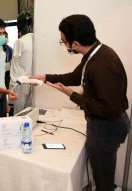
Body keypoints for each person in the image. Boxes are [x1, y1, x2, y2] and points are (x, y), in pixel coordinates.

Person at [31, 14, 129, 191]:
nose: (64, 45)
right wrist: (45, 77)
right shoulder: (95, 52)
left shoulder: (102, 65)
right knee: (101, 173)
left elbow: (109, 109)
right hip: (102, 125)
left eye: (63, 41)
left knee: (103, 179)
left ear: (75, 44)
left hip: (106, 128)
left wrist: (72, 95)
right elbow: (76, 77)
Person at [10, 12, 33, 114]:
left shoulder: (20, 41)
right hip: (32, 79)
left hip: (21, 82)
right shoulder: (35, 39)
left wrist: (12, 84)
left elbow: (15, 66)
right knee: (29, 109)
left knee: (18, 111)